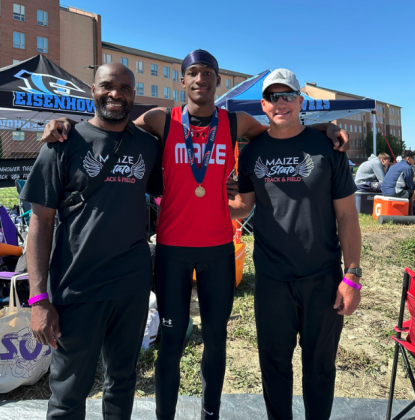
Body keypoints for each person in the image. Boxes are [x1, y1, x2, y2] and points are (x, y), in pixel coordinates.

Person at [41, 50, 349, 420]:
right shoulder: (161, 120)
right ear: (182, 81)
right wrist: (66, 124)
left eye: (208, 73)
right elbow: (112, 127)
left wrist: (324, 129)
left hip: (219, 249)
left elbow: (282, 129)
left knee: (215, 342)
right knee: (171, 341)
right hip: (172, 250)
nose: (201, 79)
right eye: (193, 73)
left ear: (218, 81)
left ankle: (210, 415)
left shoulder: (236, 123)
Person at [21, 63, 163, 419]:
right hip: (77, 287)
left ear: (134, 96)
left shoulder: (147, 147)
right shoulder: (64, 142)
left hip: (131, 287)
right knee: (69, 391)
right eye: (107, 86)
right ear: (93, 90)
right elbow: (40, 223)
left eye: (126, 88)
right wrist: (38, 298)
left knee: (122, 381)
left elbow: (175, 190)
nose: (116, 94)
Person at [229, 68, 362, 420]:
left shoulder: (327, 148)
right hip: (272, 280)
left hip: (323, 278)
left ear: (300, 101)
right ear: (263, 105)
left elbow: (348, 216)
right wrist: (200, 198)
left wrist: (352, 276)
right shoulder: (252, 152)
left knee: (319, 369)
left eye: (287, 95)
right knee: (274, 368)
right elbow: (243, 204)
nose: (280, 102)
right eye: (273, 97)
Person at [381, 150, 415, 215]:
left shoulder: (394, 166)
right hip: (394, 192)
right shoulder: (407, 168)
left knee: (410, 193)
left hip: (385, 191)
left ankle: (410, 215)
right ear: (408, 158)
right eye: (413, 158)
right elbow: (411, 186)